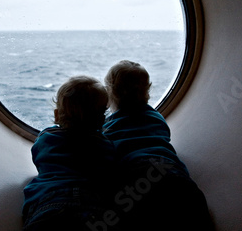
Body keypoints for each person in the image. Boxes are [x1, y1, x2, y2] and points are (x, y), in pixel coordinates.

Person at [103, 60, 215, 230]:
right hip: (172, 173)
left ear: (110, 92)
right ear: (148, 90)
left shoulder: (108, 126)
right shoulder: (156, 117)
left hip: (134, 175)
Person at [22, 76, 117, 231]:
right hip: (93, 204)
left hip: (49, 202)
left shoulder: (46, 138)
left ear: (57, 115)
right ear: (102, 120)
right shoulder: (105, 145)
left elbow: (39, 159)